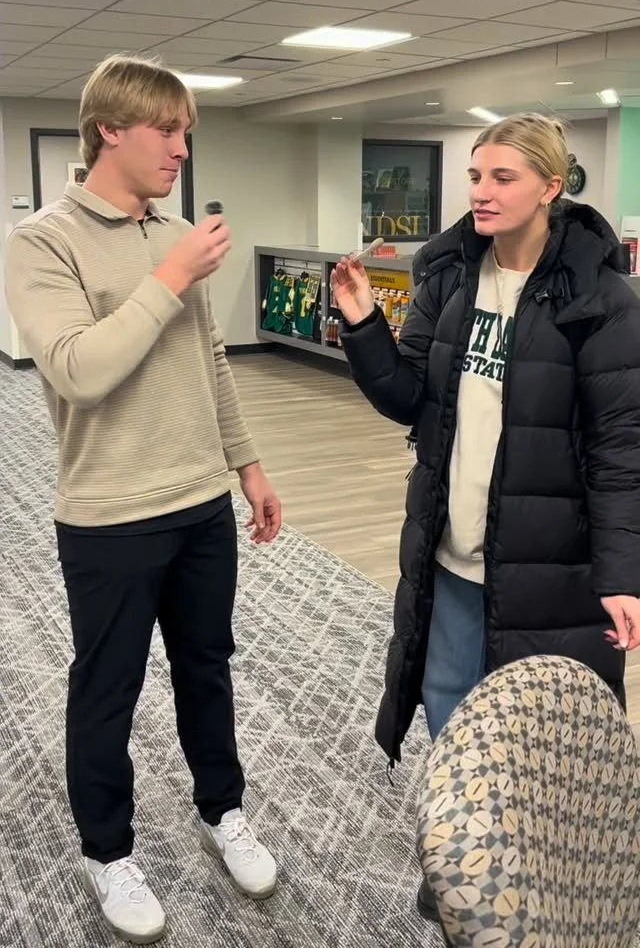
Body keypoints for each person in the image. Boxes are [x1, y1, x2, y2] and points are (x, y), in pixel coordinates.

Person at [331, 113, 640, 920]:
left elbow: (620, 450)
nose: (482, 192)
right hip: (450, 549)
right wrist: (363, 325)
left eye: (503, 177)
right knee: (450, 709)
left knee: (537, 733)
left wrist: (623, 575)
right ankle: (463, 856)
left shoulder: (600, 299)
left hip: (549, 561)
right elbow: (409, 397)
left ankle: (537, 880)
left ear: (549, 186)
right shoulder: (449, 277)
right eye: (475, 175)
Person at [5, 55, 282, 944]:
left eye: (186, 132)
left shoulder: (175, 232)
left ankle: (223, 810)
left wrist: (248, 464)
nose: (181, 148)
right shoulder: (41, 241)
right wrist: (169, 279)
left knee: (207, 666)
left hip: (201, 502)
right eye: (167, 130)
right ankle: (108, 853)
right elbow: (78, 370)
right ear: (110, 131)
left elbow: (209, 359)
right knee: (108, 688)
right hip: (110, 513)